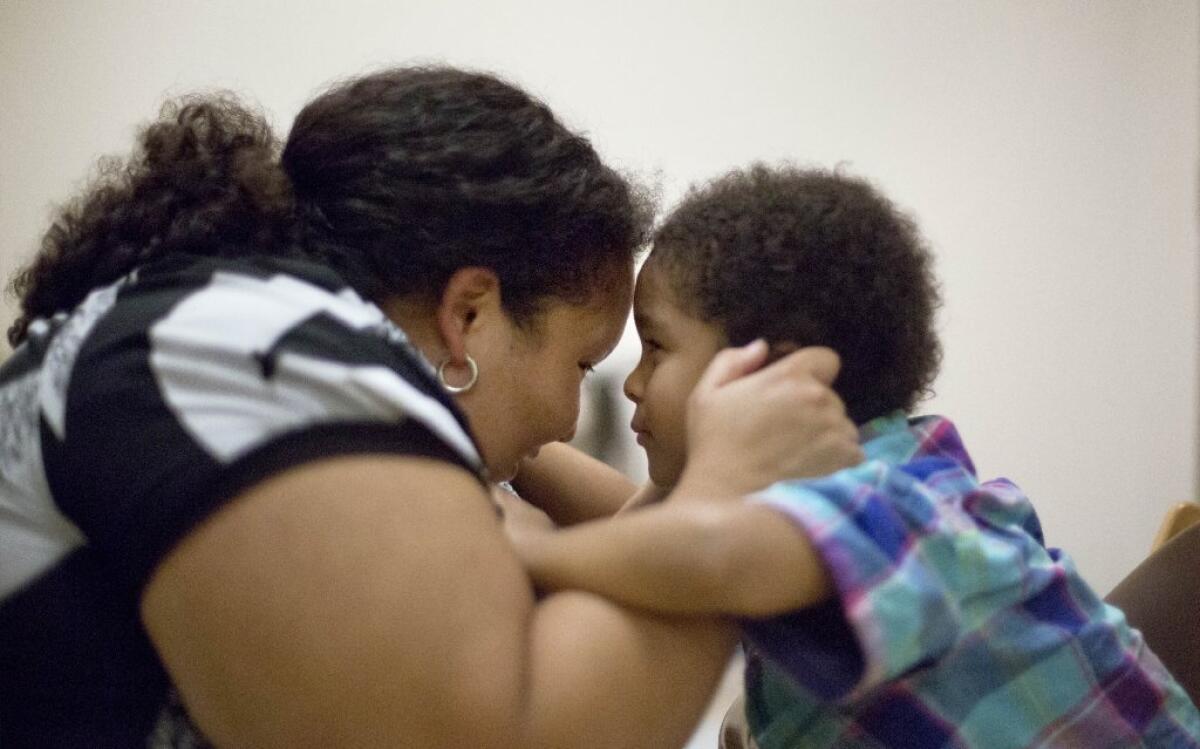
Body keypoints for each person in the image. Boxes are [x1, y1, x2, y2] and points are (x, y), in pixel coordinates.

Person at [0, 70, 865, 748]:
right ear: (471, 313)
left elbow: (555, 543)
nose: (570, 418)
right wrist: (735, 494)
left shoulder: (216, 341)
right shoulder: (250, 342)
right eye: (582, 362)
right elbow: (500, 733)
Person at [510, 165, 1200, 747]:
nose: (632, 382)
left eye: (656, 347)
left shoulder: (895, 501)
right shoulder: (843, 486)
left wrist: (498, 551)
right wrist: (516, 454)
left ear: (768, 373)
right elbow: (643, 526)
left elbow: (705, 555)